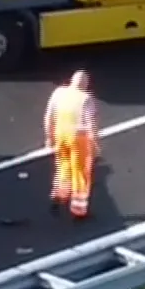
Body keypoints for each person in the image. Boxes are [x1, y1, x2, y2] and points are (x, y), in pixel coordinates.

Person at [44, 70, 101, 220]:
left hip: (61, 135)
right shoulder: (86, 99)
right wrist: (95, 145)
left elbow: (49, 116)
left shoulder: (59, 93)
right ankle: (79, 210)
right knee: (80, 173)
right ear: (86, 85)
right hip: (78, 139)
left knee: (63, 167)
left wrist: (49, 137)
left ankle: (58, 196)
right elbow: (91, 125)